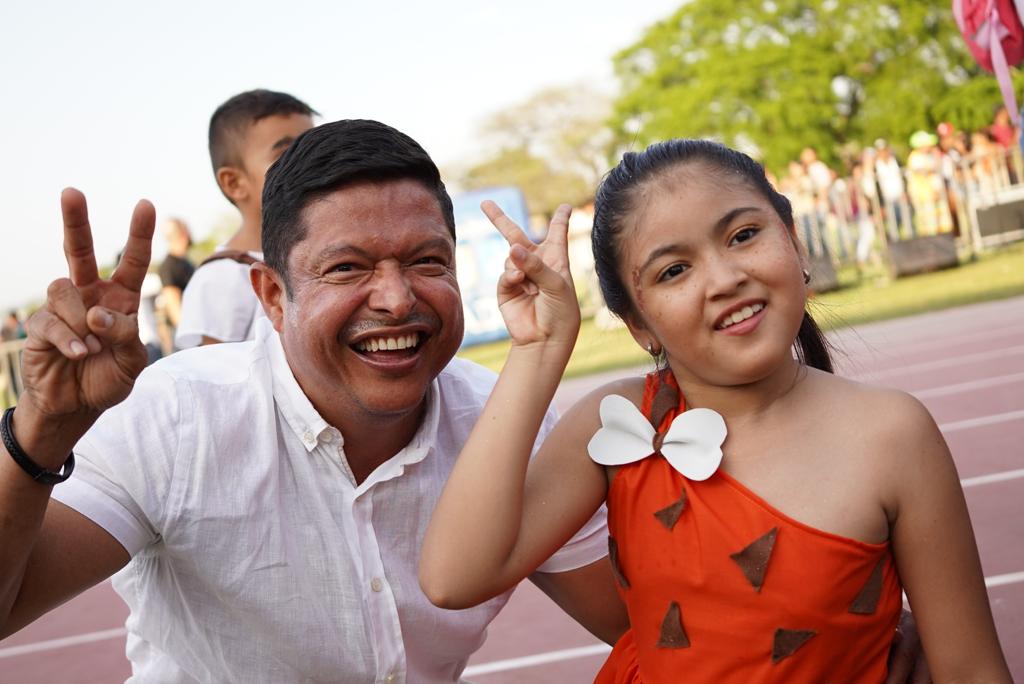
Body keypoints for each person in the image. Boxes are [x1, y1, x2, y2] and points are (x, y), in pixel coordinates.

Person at [0, 121, 927, 684]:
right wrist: (40, 430)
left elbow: (654, 617)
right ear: (273, 298)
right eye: (349, 269)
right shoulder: (178, 416)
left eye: (427, 263)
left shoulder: (507, 428)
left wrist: (860, 624)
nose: (396, 299)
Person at [420, 140, 1011, 682]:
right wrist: (539, 348)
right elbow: (453, 578)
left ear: (795, 242)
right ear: (638, 325)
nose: (726, 278)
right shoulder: (620, 423)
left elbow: (972, 668)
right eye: (674, 270)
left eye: (743, 235)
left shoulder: (894, 434)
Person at [175, 89, 316, 348]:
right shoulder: (222, 277)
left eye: (315, 149)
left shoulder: (324, 254)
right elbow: (214, 379)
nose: (309, 165)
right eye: (286, 154)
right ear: (235, 183)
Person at [157, 217, 195, 340]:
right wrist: (191, 338)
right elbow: (174, 308)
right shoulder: (169, 266)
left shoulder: (185, 262)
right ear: (184, 234)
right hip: (187, 336)